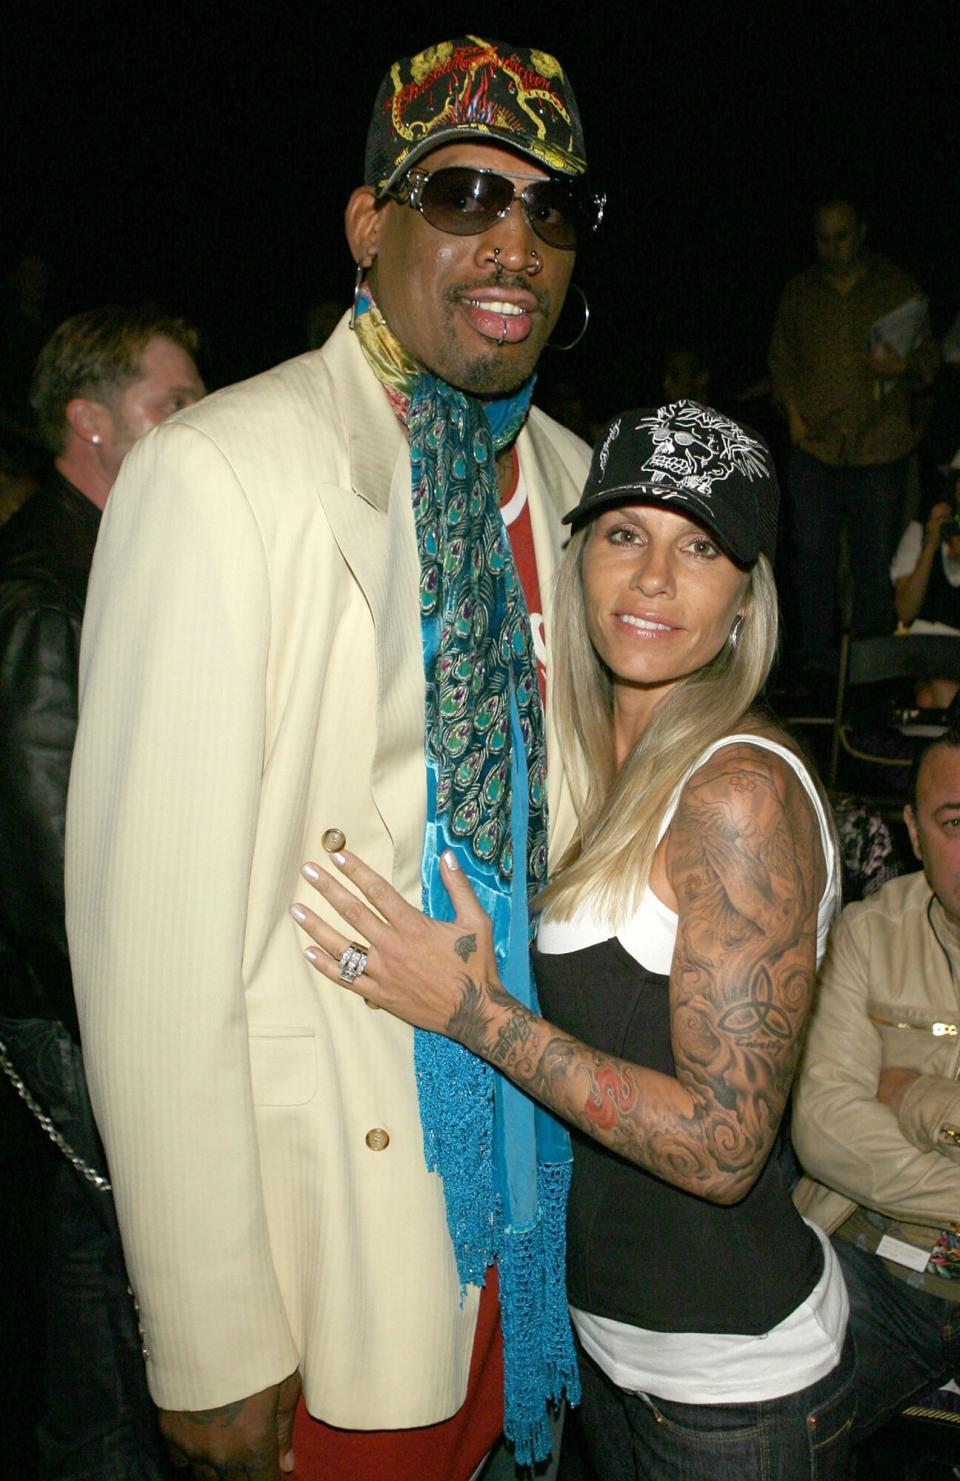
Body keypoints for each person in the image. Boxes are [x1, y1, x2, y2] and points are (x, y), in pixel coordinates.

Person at [65, 36, 602, 1481]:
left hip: (532, 1214)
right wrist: (209, 1321)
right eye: (466, 192)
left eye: (553, 210)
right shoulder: (218, 479)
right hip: (331, 1240)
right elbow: (152, 945)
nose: (514, 240)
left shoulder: (570, 480)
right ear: (372, 224)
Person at [293, 400, 857, 1481]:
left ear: (746, 600)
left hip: (731, 1388)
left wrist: (471, 1010)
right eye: (625, 532)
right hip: (612, 1354)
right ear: (580, 554)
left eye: (701, 547)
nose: (653, 577)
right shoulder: (599, 764)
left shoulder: (735, 794)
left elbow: (724, 1147)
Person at [0, 305, 204, 1479]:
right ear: (90, 422)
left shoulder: (110, 557)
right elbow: (51, 863)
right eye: (172, 406)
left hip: (103, 998)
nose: (196, 426)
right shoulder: (45, 588)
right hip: (76, 1013)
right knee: (103, 1266)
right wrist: (132, 1021)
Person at [793, 728, 960, 1447]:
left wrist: (914, 1095)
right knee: (758, 1411)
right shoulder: (869, 934)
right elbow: (825, 1128)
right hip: (865, 1252)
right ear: (916, 835)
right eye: (955, 822)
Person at [768, 194, 938, 676]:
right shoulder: (801, 293)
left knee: (873, 568)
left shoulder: (897, 288)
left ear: (861, 232)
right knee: (813, 563)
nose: (833, 247)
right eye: (823, 238)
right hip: (817, 448)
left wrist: (904, 367)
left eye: (842, 236)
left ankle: (869, 675)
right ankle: (821, 672)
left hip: (879, 448)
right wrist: (794, 417)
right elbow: (781, 361)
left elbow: (931, 363)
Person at [889, 449, 960, 709]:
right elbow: (905, 611)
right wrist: (931, 545)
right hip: (926, 657)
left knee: (929, 700)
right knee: (937, 688)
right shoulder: (920, 533)